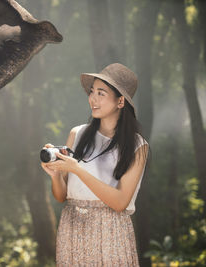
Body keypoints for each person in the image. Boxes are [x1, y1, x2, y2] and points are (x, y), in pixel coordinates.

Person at [41, 63, 148, 266]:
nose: (93, 99)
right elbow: (62, 196)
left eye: (101, 93)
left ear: (120, 101)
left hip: (111, 232)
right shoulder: (77, 134)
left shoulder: (137, 146)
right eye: (92, 92)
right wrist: (55, 176)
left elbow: (119, 203)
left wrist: (77, 169)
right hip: (72, 227)